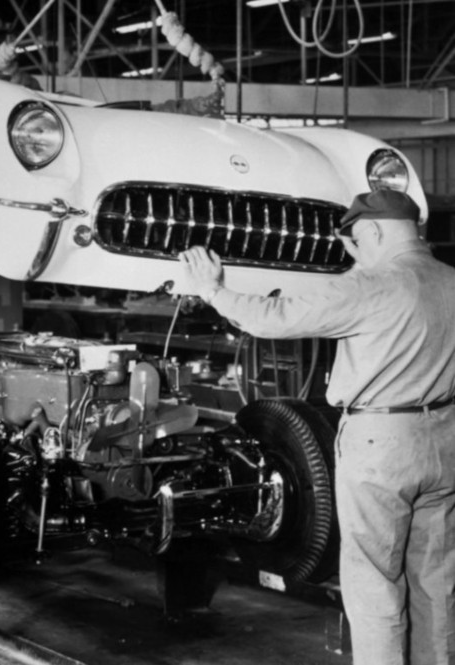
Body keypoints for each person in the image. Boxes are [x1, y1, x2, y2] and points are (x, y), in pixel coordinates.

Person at [179, 189, 455, 665]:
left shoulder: (370, 285)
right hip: (443, 438)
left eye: (357, 239)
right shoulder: (449, 281)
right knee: (436, 580)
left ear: (370, 231)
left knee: (375, 583)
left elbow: (272, 316)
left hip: (381, 446)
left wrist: (213, 289)